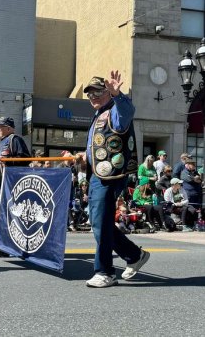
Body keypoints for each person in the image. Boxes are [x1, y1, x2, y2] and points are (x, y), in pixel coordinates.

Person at [78, 72, 150, 288]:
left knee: (100, 222)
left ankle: (105, 272)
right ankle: (134, 255)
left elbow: (127, 113)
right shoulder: (99, 114)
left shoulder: (115, 111)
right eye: (90, 94)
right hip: (96, 175)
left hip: (109, 176)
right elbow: (101, 144)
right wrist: (84, 156)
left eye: (98, 92)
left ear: (108, 92)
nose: (93, 96)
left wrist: (118, 94)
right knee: (100, 223)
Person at [0, 116, 30, 258]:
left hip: (10, 188)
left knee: (8, 219)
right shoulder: (1, 143)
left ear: (8, 128)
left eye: (0, 126)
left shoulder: (14, 139)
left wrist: (8, 161)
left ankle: (4, 248)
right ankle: (3, 247)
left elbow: (25, 160)